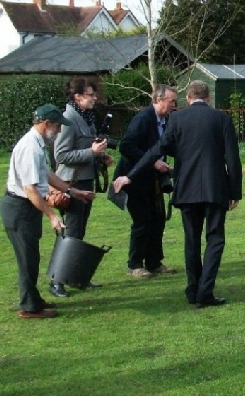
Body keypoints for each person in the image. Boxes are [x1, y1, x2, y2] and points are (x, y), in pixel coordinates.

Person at [113, 80, 242, 308]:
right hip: (215, 188)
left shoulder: (177, 119)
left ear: (188, 99)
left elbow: (155, 151)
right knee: (215, 239)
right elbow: (232, 158)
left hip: (187, 190)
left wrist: (129, 175)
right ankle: (205, 291)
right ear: (208, 98)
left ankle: (193, 290)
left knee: (191, 240)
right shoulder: (222, 118)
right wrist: (235, 191)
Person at [1, 105, 95, 319]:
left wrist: (73, 191)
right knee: (27, 259)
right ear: (47, 124)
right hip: (20, 208)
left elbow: (47, 174)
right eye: (58, 126)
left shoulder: (37, 143)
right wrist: (52, 216)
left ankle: (33, 299)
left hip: (24, 207)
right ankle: (29, 307)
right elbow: (30, 189)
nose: (61, 131)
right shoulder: (30, 148)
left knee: (31, 256)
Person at [50, 78, 113, 298]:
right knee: (72, 232)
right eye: (90, 94)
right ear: (77, 97)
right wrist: (91, 153)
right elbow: (61, 155)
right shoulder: (68, 119)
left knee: (78, 231)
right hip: (71, 184)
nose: (94, 98)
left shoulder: (85, 117)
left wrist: (100, 157)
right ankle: (57, 281)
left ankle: (75, 276)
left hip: (84, 180)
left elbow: (86, 147)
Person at [114, 84, 179, 278]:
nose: (174, 105)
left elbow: (167, 146)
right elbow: (125, 147)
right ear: (158, 100)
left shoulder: (166, 120)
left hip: (153, 181)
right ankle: (134, 265)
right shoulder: (143, 119)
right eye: (171, 101)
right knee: (142, 221)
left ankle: (154, 263)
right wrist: (153, 163)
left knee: (158, 220)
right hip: (134, 180)